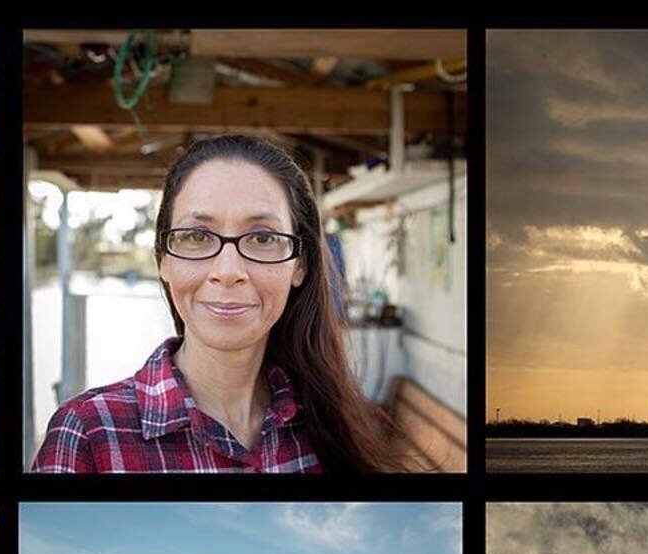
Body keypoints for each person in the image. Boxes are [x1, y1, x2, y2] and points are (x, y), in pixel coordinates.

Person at [30, 134, 430, 473]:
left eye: (262, 238)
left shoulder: (333, 429)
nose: (228, 270)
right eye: (197, 237)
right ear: (164, 260)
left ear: (300, 266)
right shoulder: (87, 434)